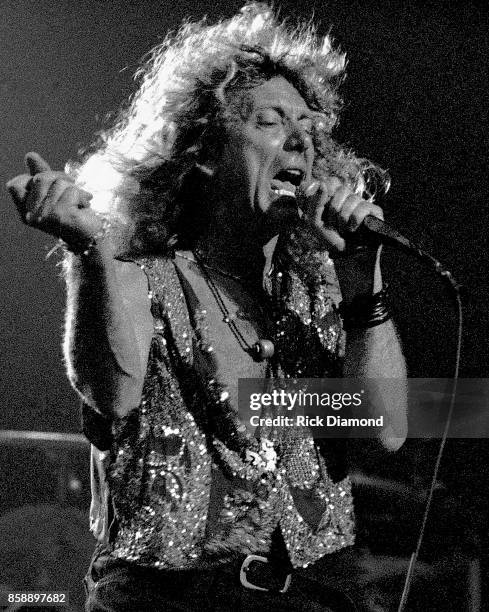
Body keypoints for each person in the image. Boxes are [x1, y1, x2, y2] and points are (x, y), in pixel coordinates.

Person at [7, 3, 407, 610]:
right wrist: (91, 249)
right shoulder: (140, 280)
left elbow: (391, 431)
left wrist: (363, 281)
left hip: (318, 596)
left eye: (309, 123)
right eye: (272, 120)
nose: (302, 138)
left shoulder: (320, 295)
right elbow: (113, 392)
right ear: (204, 151)